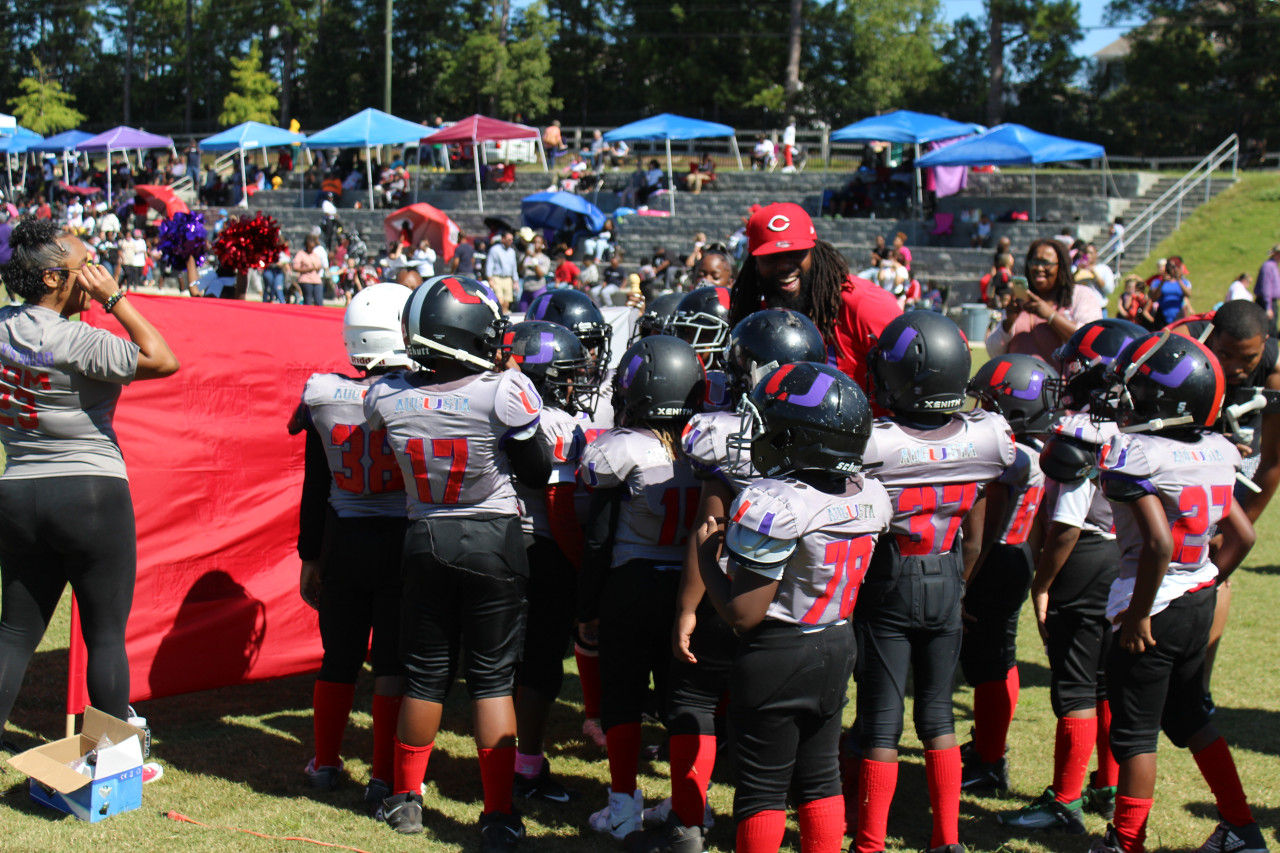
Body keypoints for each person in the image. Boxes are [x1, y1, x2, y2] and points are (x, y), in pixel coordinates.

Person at [623, 310, 827, 853]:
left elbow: (708, 527)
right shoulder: (842, 436)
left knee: (693, 696)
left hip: (730, 587)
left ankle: (689, 824)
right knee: (803, 737)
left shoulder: (724, 434)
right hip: (804, 604)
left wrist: (688, 606)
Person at [365, 276, 551, 849]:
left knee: (425, 676)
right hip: (493, 537)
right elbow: (538, 470)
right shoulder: (502, 391)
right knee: (492, 681)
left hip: (424, 535)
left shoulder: (386, 395)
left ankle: (406, 800)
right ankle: (497, 813)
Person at [696, 361, 891, 853]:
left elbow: (743, 614)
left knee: (762, 786)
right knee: (820, 775)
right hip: (836, 640)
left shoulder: (775, 500)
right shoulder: (873, 493)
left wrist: (706, 560)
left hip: (779, 651)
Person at [0, 219, 179, 751]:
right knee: (104, 635)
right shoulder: (81, 339)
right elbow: (162, 359)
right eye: (86, 266)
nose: (95, 273)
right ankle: (109, 759)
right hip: (90, 492)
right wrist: (115, 298)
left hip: (18, 487)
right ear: (54, 278)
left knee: (13, 635)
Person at [1090, 332, 1264, 853]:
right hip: (1197, 598)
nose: (1126, 396)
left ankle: (1125, 842)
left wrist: (1142, 613)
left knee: (1135, 734)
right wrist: (1206, 577)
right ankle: (1241, 828)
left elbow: (1159, 544)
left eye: (1135, 388)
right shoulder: (1216, 448)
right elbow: (1245, 534)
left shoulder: (1135, 452)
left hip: (1154, 606)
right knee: (1191, 716)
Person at [852, 312, 1015, 853]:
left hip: (890, 575)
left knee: (880, 721)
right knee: (938, 716)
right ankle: (947, 840)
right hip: (947, 568)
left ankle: (871, 842)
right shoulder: (987, 438)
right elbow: (978, 528)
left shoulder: (873, 444)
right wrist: (961, 583)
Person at [995, 320, 1143, 830]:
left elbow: (1066, 525)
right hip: (1122, 560)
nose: (1065, 371)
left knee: (1076, 686)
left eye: (1073, 361)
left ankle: (1065, 800)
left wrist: (1042, 582)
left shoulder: (1081, 431)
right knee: (1103, 683)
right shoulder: (1136, 425)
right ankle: (1106, 781)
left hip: (1084, 562)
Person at [289, 284, 413, 813]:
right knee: (391, 660)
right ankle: (384, 774)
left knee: (337, 654)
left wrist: (309, 555)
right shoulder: (423, 394)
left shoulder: (320, 392)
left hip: (343, 540)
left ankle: (325, 761)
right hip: (404, 541)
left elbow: (315, 484)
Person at [578, 336, 705, 840]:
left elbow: (597, 536)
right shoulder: (712, 444)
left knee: (623, 700)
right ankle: (686, 806)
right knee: (683, 705)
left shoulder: (621, 448)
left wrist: (587, 604)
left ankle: (624, 807)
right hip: (691, 591)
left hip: (631, 585)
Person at [505, 321, 597, 806]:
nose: (574, 382)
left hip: (491, 540)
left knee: (494, 664)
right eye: (566, 373)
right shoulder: (558, 423)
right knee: (539, 665)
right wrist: (585, 567)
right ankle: (525, 767)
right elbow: (561, 508)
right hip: (542, 548)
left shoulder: (492, 401)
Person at [960, 354, 1056, 795]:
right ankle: (988, 746)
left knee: (989, 666)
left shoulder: (1012, 457)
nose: (978, 407)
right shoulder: (1038, 451)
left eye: (988, 401)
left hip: (995, 560)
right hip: (1015, 556)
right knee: (1002, 656)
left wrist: (964, 583)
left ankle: (990, 760)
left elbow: (990, 524)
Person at [727, 203, 901, 396]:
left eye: (795, 253)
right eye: (771, 257)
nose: (784, 265)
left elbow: (910, 385)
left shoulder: (864, 304)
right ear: (754, 262)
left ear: (813, 251)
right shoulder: (756, 317)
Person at [986, 238, 1104, 362]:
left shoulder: (1081, 295)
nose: (1039, 268)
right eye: (1035, 262)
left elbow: (1091, 343)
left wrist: (1050, 315)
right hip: (1016, 380)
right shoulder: (1021, 300)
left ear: (1061, 266)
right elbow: (993, 352)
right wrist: (1008, 322)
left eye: (1046, 263)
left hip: (1061, 380)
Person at [1151, 258, 1193, 325]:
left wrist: (1179, 279)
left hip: (1178, 314)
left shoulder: (1183, 282)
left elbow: (1188, 294)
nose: (1171, 269)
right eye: (1168, 266)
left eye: (1173, 267)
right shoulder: (1157, 282)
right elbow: (1153, 298)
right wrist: (1162, 282)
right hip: (1162, 315)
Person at [485, 230, 518, 312]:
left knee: (507, 301)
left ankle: (504, 316)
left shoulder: (512, 252)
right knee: (500, 301)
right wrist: (490, 279)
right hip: (497, 278)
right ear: (503, 239)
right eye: (509, 240)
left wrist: (515, 281)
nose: (511, 242)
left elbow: (514, 267)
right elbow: (490, 264)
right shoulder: (495, 250)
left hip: (508, 278)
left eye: (512, 240)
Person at [293, 234, 327, 306]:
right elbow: (295, 267)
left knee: (319, 300)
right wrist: (308, 269)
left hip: (316, 280)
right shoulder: (301, 254)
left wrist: (317, 268)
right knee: (308, 300)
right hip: (306, 279)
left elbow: (319, 265)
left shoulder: (315, 255)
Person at [1254, 244, 1280, 334]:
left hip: (1271, 302)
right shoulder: (1268, 266)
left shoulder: (1274, 266)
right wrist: (1268, 307)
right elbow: (1266, 287)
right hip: (1266, 302)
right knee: (1268, 331)